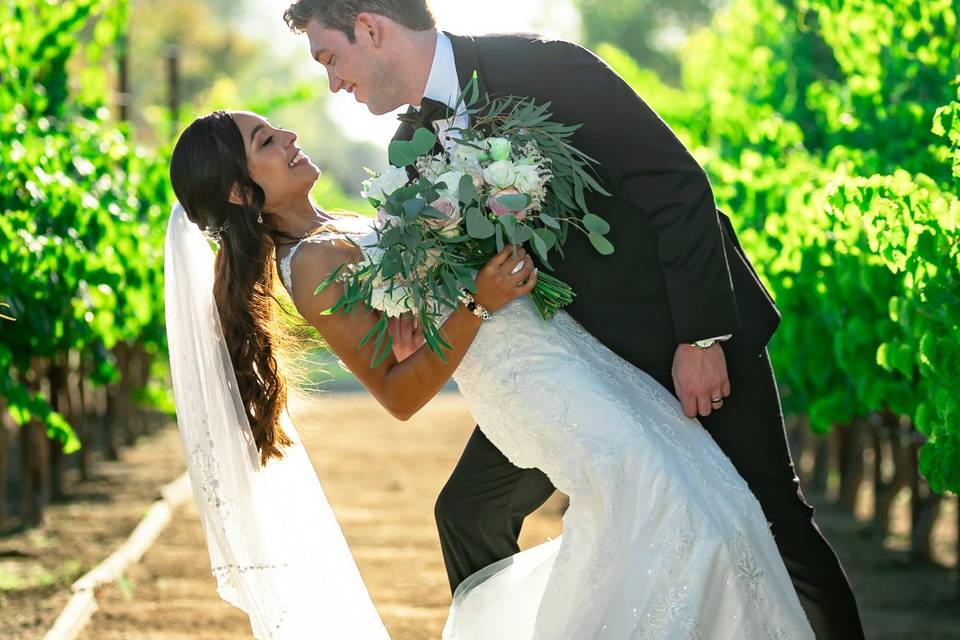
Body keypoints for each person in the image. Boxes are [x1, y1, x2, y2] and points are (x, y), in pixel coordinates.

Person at [281, 0, 865, 638]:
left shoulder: (546, 67)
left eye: (330, 58)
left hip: (680, 336)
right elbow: (464, 265)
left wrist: (701, 337)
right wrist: (417, 305)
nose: (333, 81)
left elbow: (678, 185)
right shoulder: (408, 149)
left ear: (370, 27)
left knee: (775, 518)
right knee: (469, 510)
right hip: (579, 372)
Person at [167, 109, 814, 638]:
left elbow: (411, 338)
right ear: (237, 190)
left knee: (678, 502)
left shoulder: (332, 227)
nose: (289, 136)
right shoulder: (309, 265)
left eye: (276, 129)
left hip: (553, 356)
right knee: (666, 505)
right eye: (265, 141)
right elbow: (397, 395)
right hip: (522, 384)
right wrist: (477, 302)